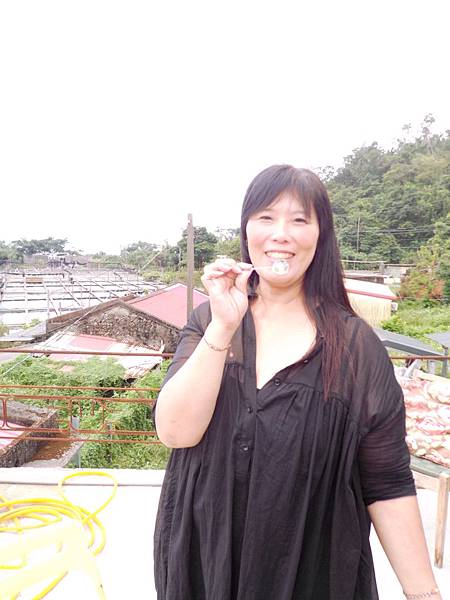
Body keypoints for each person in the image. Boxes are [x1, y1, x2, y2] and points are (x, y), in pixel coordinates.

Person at [153, 165, 441, 600]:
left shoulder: (355, 347)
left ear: (320, 236)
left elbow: (387, 482)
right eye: (266, 217)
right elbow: (176, 432)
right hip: (202, 560)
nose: (281, 234)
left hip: (310, 569)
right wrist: (223, 326)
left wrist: (424, 593)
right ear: (247, 229)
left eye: (300, 220)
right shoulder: (210, 320)